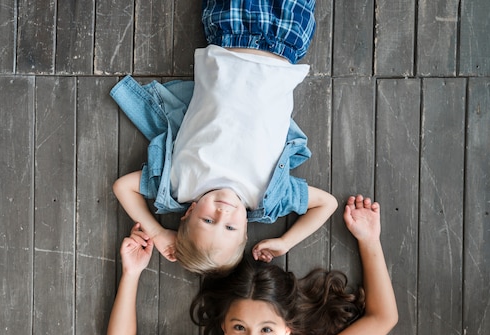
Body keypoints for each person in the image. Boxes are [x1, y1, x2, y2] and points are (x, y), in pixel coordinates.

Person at [106, 195, 398, 335]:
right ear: (224, 326)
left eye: (267, 329)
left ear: (287, 329)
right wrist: (132, 273)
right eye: (239, 327)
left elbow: (382, 319)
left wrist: (369, 240)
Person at [111, 0, 338, 275]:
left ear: (189, 211)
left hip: (229, 34)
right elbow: (327, 204)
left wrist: (158, 232)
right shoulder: (268, 199)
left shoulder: (177, 186)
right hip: (284, 43)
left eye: (207, 220)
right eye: (230, 227)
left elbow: (123, 187)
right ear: (245, 231)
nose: (222, 213)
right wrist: (286, 241)